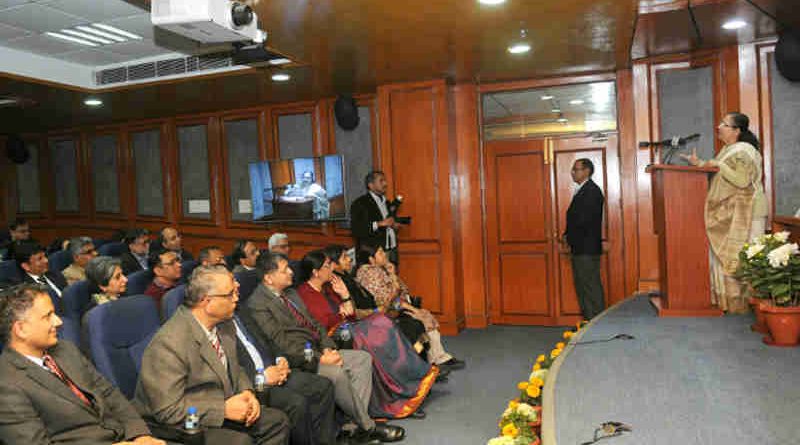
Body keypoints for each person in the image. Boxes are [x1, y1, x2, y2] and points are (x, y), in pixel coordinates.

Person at [245, 251, 405, 444]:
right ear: (269, 278)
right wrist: (319, 358)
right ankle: (367, 427)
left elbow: (314, 324)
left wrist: (328, 348)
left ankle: (350, 428)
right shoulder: (257, 304)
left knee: (362, 358)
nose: (290, 272)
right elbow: (280, 344)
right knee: (336, 373)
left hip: (318, 349)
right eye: (284, 269)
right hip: (299, 360)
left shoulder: (290, 294)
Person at [135, 265, 290, 445]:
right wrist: (222, 410)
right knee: (239, 442)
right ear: (206, 302)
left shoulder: (225, 324)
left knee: (277, 422)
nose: (236, 299)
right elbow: (168, 410)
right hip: (179, 423)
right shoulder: (169, 343)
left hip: (218, 400)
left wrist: (248, 393)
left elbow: (236, 368)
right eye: (230, 294)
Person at [0, 283, 165, 445]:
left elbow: (109, 393)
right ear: (21, 329)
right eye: (48, 316)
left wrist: (140, 434)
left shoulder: (65, 349)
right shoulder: (6, 384)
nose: (58, 322)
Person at [295, 250, 437, 419]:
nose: (332, 268)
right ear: (315, 272)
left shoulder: (330, 287)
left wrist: (345, 295)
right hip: (332, 338)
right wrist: (341, 313)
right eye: (327, 266)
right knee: (377, 337)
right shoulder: (305, 293)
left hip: (348, 327)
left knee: (383, 321)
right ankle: (394, 394)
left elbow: (351, 313)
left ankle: (407, 382)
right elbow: (321, 325)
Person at [680, 112, 767, 313]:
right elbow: (722, 175)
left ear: (737, 130)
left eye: (723, 124)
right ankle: (732, 303)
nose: (718, 127)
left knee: (749, 258)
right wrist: (700, 164)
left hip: (749, 212)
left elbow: (742, 181)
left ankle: (751, 305)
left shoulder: (744, 150)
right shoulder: (729, 149)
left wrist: (717, 164)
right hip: (732, 212)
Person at [233, 308, 338, 445]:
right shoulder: (218, 328)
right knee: (296, 404)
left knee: (323, 386)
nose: (235, 295)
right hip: (255, 383)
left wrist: (280, 359)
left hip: (275, 369)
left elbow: (268, 340)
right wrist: (262, 376)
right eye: (230, 294)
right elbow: (233, 368)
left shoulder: (241, 313)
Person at [355, 244, 465, 371]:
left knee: (423, 315)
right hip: (386, 313)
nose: (385, 254)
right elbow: (388, 299)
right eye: (380, 253)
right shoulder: (370, 273)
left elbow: (404, 289)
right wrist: (393, 276)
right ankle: (435, 360)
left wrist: (392, 275)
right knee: (419, 320)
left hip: (395, 307)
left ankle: (437, 358)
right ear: (371, 259)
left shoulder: (379, 270)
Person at [322, 245, 426, 352]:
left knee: (413, 324)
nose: (350, 259)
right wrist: (376, 311)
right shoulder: (337, 283)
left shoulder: (348, 277)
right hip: (363, 321)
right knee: (407, 327)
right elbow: (352, 311)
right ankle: (412, 360)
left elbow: (401, 290)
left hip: (377, 313)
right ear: (333, 264)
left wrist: (385, 307)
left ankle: (418, 358)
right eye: (345, 257)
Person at [560, 158, 605, 320]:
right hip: (580, 248)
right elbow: (575, 219)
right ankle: (588, 323)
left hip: (586, 248)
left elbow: (584, 221)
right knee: (582, 287)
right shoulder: (583, 189)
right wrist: (566, 235)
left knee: (590, 288)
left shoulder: (592, 191)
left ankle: (597, 325)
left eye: (576, 169)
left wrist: (569, 236)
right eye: (573, 169)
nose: (573, 172)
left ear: (587, 171)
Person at [350, 171, 401, 265]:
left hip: (391, 250)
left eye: (385, 180)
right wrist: (379, 224)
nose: (385, 184)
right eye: (381, 181)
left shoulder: (387, 203)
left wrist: (394, 226)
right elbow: (356, 229)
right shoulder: (360, 203)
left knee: (392, 279)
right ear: (371, 185)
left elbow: (390, 223)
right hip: (372, 255)